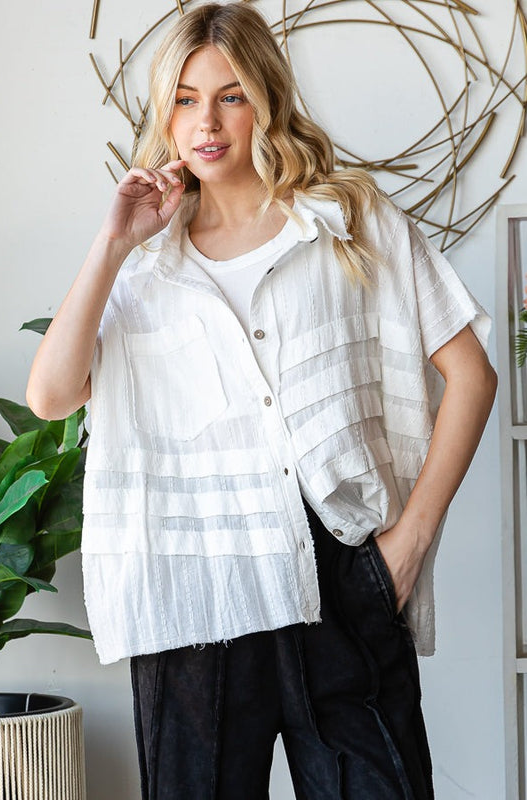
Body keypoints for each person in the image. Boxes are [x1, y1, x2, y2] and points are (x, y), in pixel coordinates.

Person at [26, 3, 497, 798]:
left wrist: (410, 542)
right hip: (194, 586)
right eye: (183, 98)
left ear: (267, 99)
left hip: (338, 570)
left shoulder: (351, 223)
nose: (205, 121)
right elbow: (50, 396)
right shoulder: (144, 269)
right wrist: (112, 242)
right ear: (163, 112)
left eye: (230, 95)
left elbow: (473, 374)